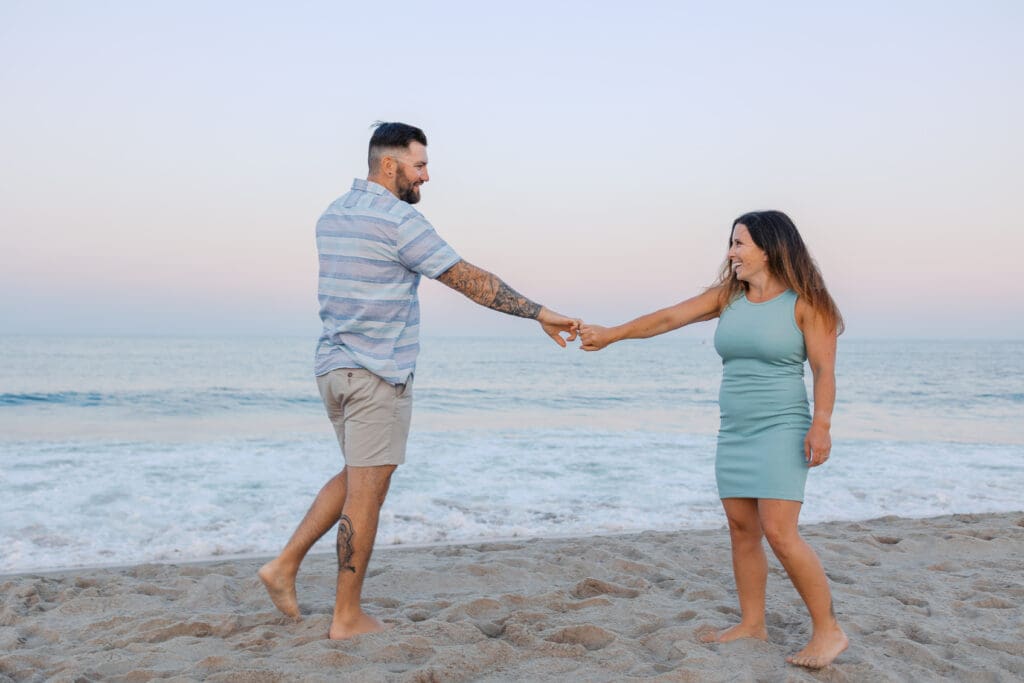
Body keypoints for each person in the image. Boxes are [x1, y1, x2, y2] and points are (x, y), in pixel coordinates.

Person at [259, 122, 579, 640]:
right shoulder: (398, 222)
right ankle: (346, 617)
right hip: (376, 375)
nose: (425, 177)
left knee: (357, 477)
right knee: (367, 495)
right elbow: (470, 281)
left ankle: (284, 566)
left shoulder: (332, 214)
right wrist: (539, 313)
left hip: (333, 371)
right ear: (390, 166)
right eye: (419, 165)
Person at [578, 210, 848, 669]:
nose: (731, 252)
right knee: (742, 530)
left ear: (770, 247)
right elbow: (667, 319)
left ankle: (829, 631)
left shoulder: (807, 303)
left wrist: (820, 424)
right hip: (735, 430)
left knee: (780, 533)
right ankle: (751, 623)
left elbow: (824, 371)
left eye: (740, 243)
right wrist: (612, 335)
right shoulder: (730, 297)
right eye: (731, 243)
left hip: (783, 427)